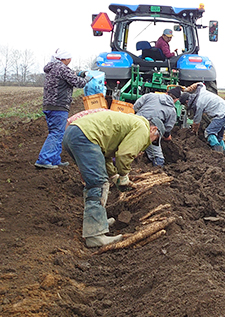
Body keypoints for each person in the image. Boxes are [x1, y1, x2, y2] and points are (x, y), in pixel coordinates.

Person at [63, 110, 162, 247]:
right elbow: (124, 154)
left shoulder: (131, 122)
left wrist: (114, 176)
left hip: (74, 133)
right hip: (85, 137)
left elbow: (106, 153)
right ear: (153, 129)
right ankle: (95, 236)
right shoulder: (142, 128)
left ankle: (98, 220)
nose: (150, 143)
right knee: (98, 184)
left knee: (95, 182)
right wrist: (124, 176)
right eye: (154, 139)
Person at [35, 48, 89, 169]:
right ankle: (44, 159)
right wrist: (87, 79)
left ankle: (54, 159)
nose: (70, 60)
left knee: (57, 132)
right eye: (69, 58)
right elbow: (78, 82)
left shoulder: (53, 68)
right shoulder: (62, 68)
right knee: (56, 133)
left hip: (49, 105)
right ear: (64, 59)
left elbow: (69, 77)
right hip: (58, 105)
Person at [179, 82, 225, 152]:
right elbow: (199, 84)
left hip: (222, 114)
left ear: (187, 101)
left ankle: (218, 152)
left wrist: (194, 133)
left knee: (209, 132)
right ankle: (223, 151)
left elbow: (196, 122)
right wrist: (187, 89)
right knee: (219, 135)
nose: (186, 106)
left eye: (185, 104)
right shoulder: (201, 91)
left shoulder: (199, 105)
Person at [134, 90, 177, 166]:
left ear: (166, 93)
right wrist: (166, 135)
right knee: (157, 155)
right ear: (176, 100)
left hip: (136, 122)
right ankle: (158, 169)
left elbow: (136, 106)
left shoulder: (150, 95)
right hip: (152, 128)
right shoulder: (172, 110)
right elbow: (168, 127)